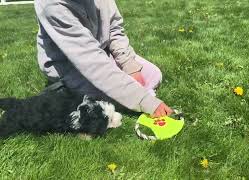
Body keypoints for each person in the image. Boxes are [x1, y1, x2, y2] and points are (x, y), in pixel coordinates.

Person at [34, 0, 173, 118]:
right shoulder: (51, 6)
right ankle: (64, 88)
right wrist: (144, 100)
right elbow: (92, 62)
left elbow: (114, 29)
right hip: (69, 65)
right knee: (115, 99)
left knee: (154, 75)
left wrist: (130, 66)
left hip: (100, 52)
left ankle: (119, 87)